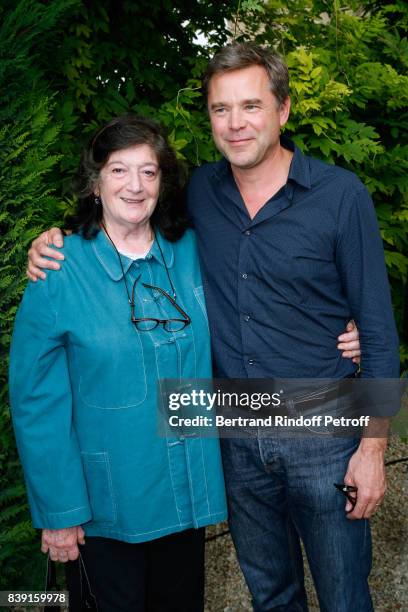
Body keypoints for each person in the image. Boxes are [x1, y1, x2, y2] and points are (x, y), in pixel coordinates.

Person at [25, 45, 378, 612]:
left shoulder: (324, 200)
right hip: (192, 459)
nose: (236, 124)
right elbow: (38, 401)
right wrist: (46, 242)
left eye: (251, 106)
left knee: (344, 595)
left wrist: (373, 442)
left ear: (283, 110)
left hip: (299, 436)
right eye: (220, 110)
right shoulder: (84, 258)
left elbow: (364, 322)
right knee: (272, 595)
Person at [9, 115, 227, 612]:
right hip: (104, 512)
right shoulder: (58, 269)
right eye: (119, 170)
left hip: (185, 500)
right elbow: (36, 403)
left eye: (149, 172)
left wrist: (347, 327)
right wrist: (60, 513)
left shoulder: (191, 250)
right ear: (94, 181)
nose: (135, 186)